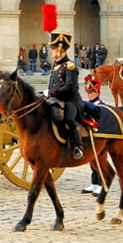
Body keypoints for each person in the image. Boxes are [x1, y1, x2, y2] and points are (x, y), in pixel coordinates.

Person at [44, 31, 84, 159]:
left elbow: (69, 87)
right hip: (56, 99)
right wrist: (47, 94)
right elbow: (52, 85)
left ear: (61, 49)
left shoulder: (70, 66)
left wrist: (51, 92)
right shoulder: (56, 66)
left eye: (53, 49)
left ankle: (78, 146)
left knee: (68, 118)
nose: (52, 51)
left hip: (70, 100)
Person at [81, 75, 104, 197]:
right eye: (88, 93)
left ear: (97, 92)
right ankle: (94, 183)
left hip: (99, 136)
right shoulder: (87, 104)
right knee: (92, 161)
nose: (89, 95)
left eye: (92, 93)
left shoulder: (99, 105)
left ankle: (101, 184)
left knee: (99, 161)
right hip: (89, 136)